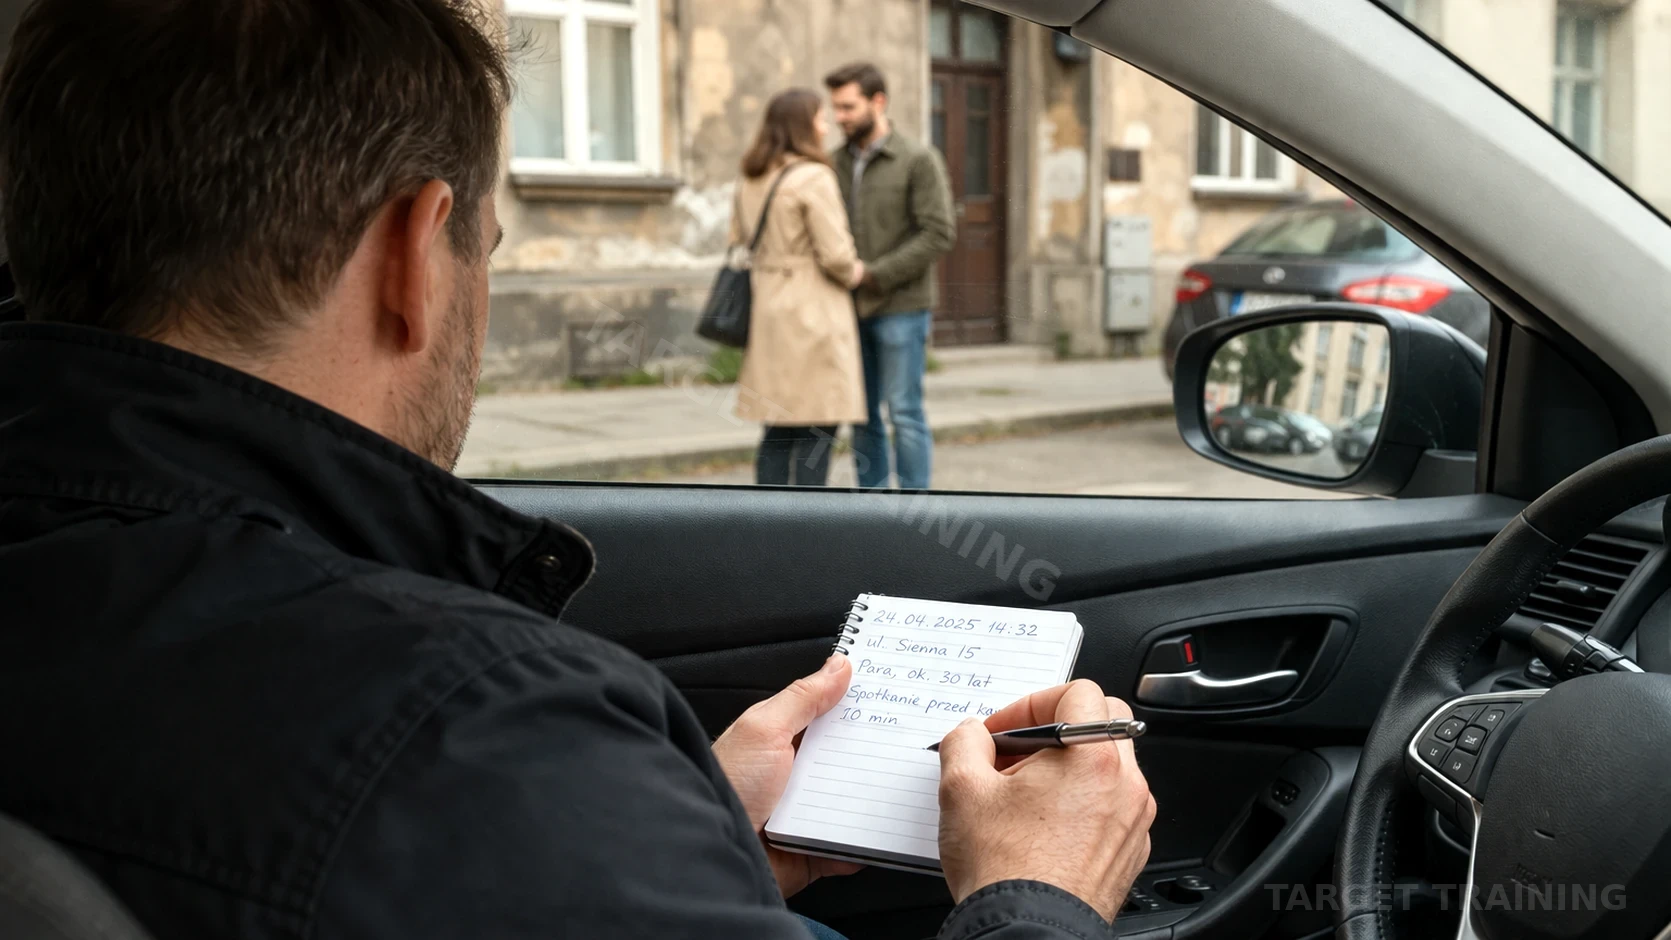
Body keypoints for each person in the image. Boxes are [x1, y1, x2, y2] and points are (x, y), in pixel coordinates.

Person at [0, 2, 1155, 939]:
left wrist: (678, 843)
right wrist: (1038, 898)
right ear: (417, 249)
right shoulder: (477, 735)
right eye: (485, 250)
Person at [825, 63, 956, 491]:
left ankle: (916, 507)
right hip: (849, 308)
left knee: (904, 411)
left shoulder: (918, 159)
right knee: (862, 415)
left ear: (877, 102)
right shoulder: (833, 163)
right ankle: (874, 509)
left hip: (902, 307)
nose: (839, 117)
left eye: (848, 107)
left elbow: (939, 233)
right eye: (835, 108)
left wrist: (874, 274)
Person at [731, 89, 867, 486]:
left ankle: (767, 515)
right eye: (820, 119)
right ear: (802, 125)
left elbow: (737, 237)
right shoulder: (813, 176)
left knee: (779, 422)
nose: (826, 127)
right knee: (819, 421)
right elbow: (837, 255)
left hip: (769, 305)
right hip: (812, 306)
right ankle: (806, 520)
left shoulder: (751, 176)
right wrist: (857, 273)